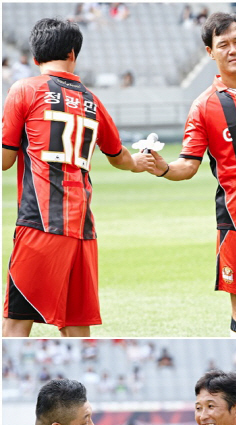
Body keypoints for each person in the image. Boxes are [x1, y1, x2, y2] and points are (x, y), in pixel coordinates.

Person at [2, 18, 154, 338]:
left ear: (35, 56)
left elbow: (5, 160)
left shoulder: (25, 89)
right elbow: (120, 157)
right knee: (76, 327)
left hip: (40, 224)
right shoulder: (92, 101)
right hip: (83, 230)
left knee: (16, 324)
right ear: (73, 53)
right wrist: (139, 163)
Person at [148, 13, 236, 338]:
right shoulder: (203, 106)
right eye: (223, 44)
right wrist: (164, 168)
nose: (233, 50)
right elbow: (188, 164)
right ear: (210, 52)